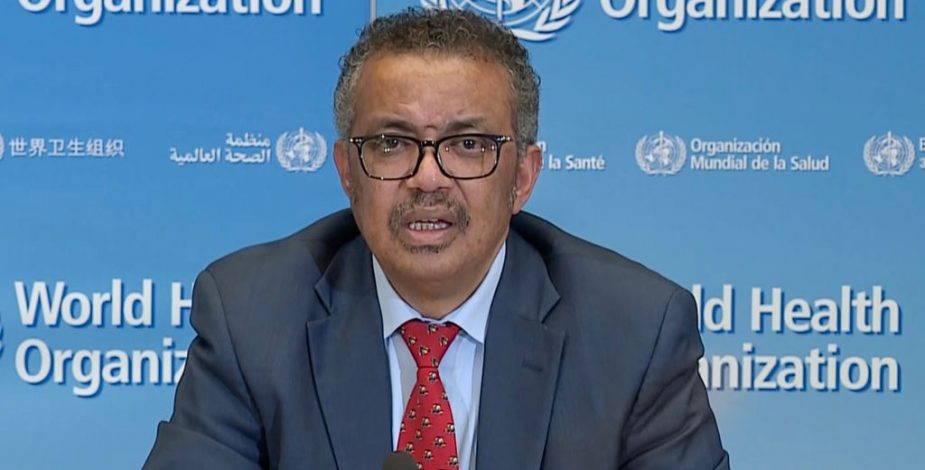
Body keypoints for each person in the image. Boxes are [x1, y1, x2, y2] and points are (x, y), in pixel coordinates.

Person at [144, 8, 728, 470]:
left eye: (468, 145)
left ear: (523, 177)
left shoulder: (635, 334)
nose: (428, 178)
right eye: (392, 144)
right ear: (347, 172)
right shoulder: (252, 318)